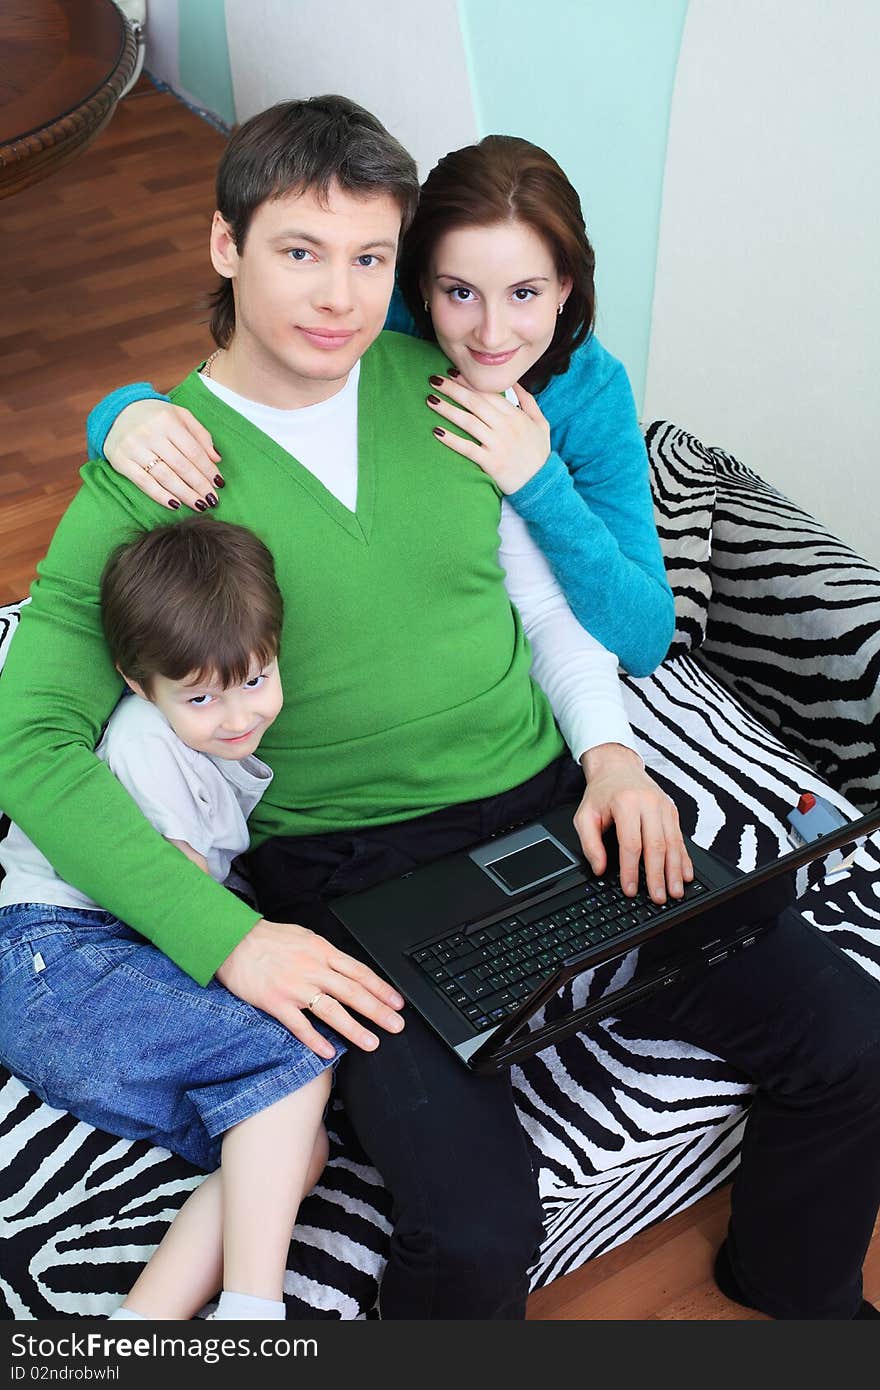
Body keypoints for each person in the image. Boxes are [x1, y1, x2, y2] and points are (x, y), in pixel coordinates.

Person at [0, 97, 877, 1321]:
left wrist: (615, 759)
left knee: (848, 1032)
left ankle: (800, 1300)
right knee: (472, 1220)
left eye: (369, 258)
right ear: (223, 247)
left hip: (552, 810)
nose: (338, 298)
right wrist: (230, 939)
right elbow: (29, 745)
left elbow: (547, 611)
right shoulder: (159, 466)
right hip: (344, 876)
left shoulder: (455, 389)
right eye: (299, 252)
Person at [84, 139, 674, 679]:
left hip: (523, 675)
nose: (492, 335)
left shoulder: (591, 390)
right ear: (418, 284)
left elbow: (646, 639)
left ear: (565, 286)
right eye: (460, 292)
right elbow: (238, 386)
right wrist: (122, 412)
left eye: (524, 293)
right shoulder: (378, 323)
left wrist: (539, 482)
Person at [0, 518, 347, 1321]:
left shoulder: (206, 742)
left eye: (255, 681)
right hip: (57, 959)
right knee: (297, 1060)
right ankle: (253, 1311)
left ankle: (141, 1331)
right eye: (200, 696)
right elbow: (180, 909)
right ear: (136, 680)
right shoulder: (144, 744)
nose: (235, 717)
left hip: (75, 994)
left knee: (294, 1149)